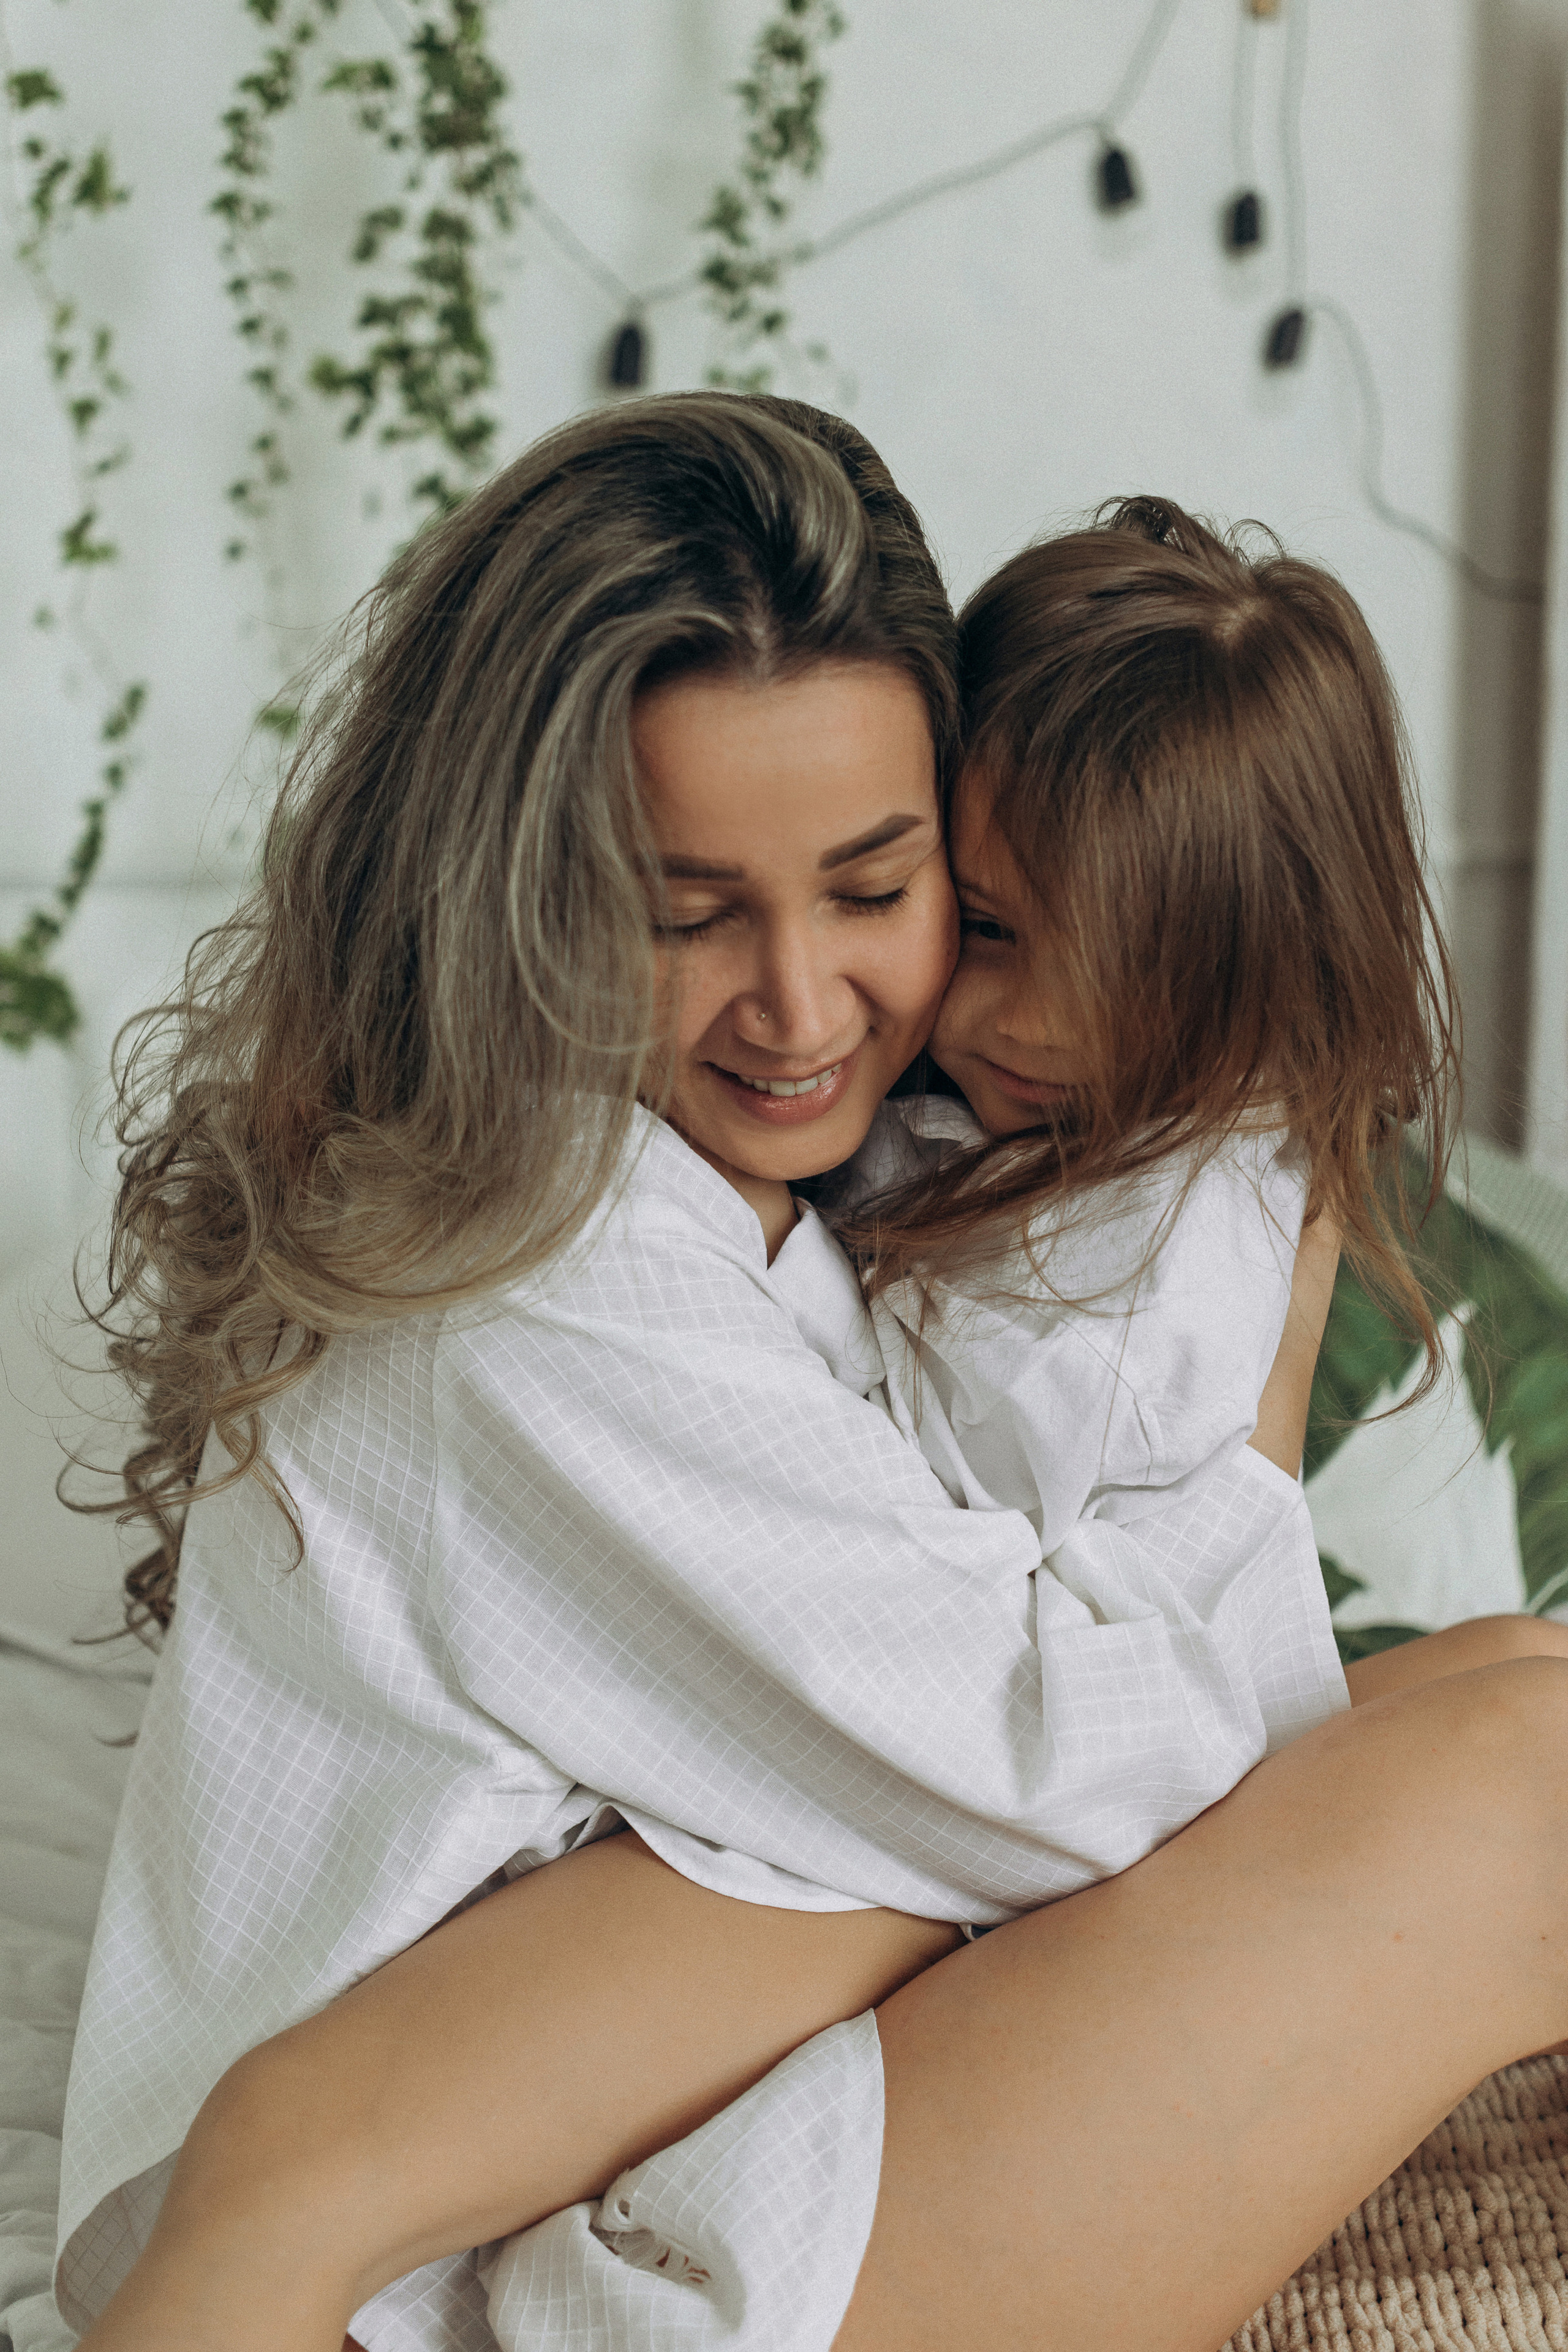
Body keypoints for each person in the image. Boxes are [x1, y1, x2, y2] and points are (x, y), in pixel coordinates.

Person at [62, 401, 1568, 2352]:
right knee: (1522, 1779)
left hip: (615, 2121)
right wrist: (1258, 1439)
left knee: (1506, 1680)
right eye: (687, 916)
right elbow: (1060, 1779)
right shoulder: (535, 1290)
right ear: (524, 894)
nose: (801, 1008)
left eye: (877, 889)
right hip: (513, 2282)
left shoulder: (760, 1186)